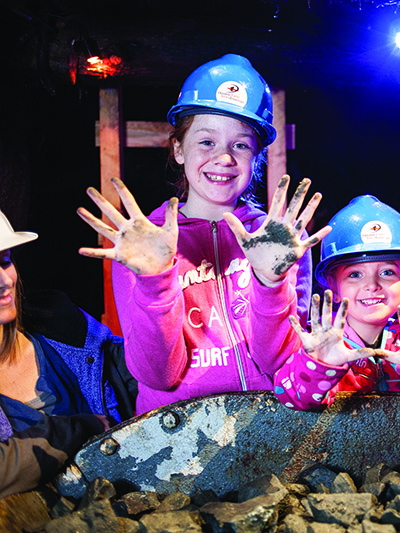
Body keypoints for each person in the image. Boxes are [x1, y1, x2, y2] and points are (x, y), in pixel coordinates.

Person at [77, 54, 329, 415]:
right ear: (178, 149)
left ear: (257, 157)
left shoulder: (279, 239)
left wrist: (270, 282)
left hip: (271, 423)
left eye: (240, 144)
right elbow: (158, 374)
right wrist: (155, 280)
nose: (224, 157)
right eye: (207, 142)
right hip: (174, 434)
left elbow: (280, 366)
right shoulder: (145, 245)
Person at [273, 195, 400, 410]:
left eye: (387, 272)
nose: (372, 285)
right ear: (332, 286)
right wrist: (320, 364)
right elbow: (291, 398)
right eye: (355, 274)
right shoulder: (319, 340)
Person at [0, 210, 129, 497]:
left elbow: (142, 371)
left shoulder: (63, 327)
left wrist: (152, 286)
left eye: (5, 261)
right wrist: (78, 428)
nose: (4, 281)